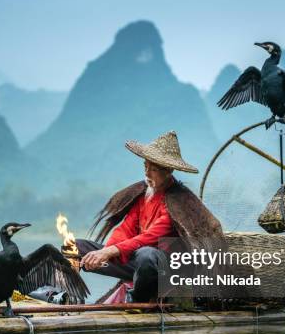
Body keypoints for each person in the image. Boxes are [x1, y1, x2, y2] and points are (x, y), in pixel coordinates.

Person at [76, 130, 228, 303]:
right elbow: (126, 228)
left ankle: (137, 299)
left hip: (164, 269)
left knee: (146, 254)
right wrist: (105, 252)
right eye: (145, 166)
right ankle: (66, 294)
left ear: (169, 171)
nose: (147, 173)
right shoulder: (144, 194)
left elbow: (150, 237)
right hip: (139, 263)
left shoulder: (179, 201)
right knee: (76, 247)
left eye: (153, 169)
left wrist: (109, 252)